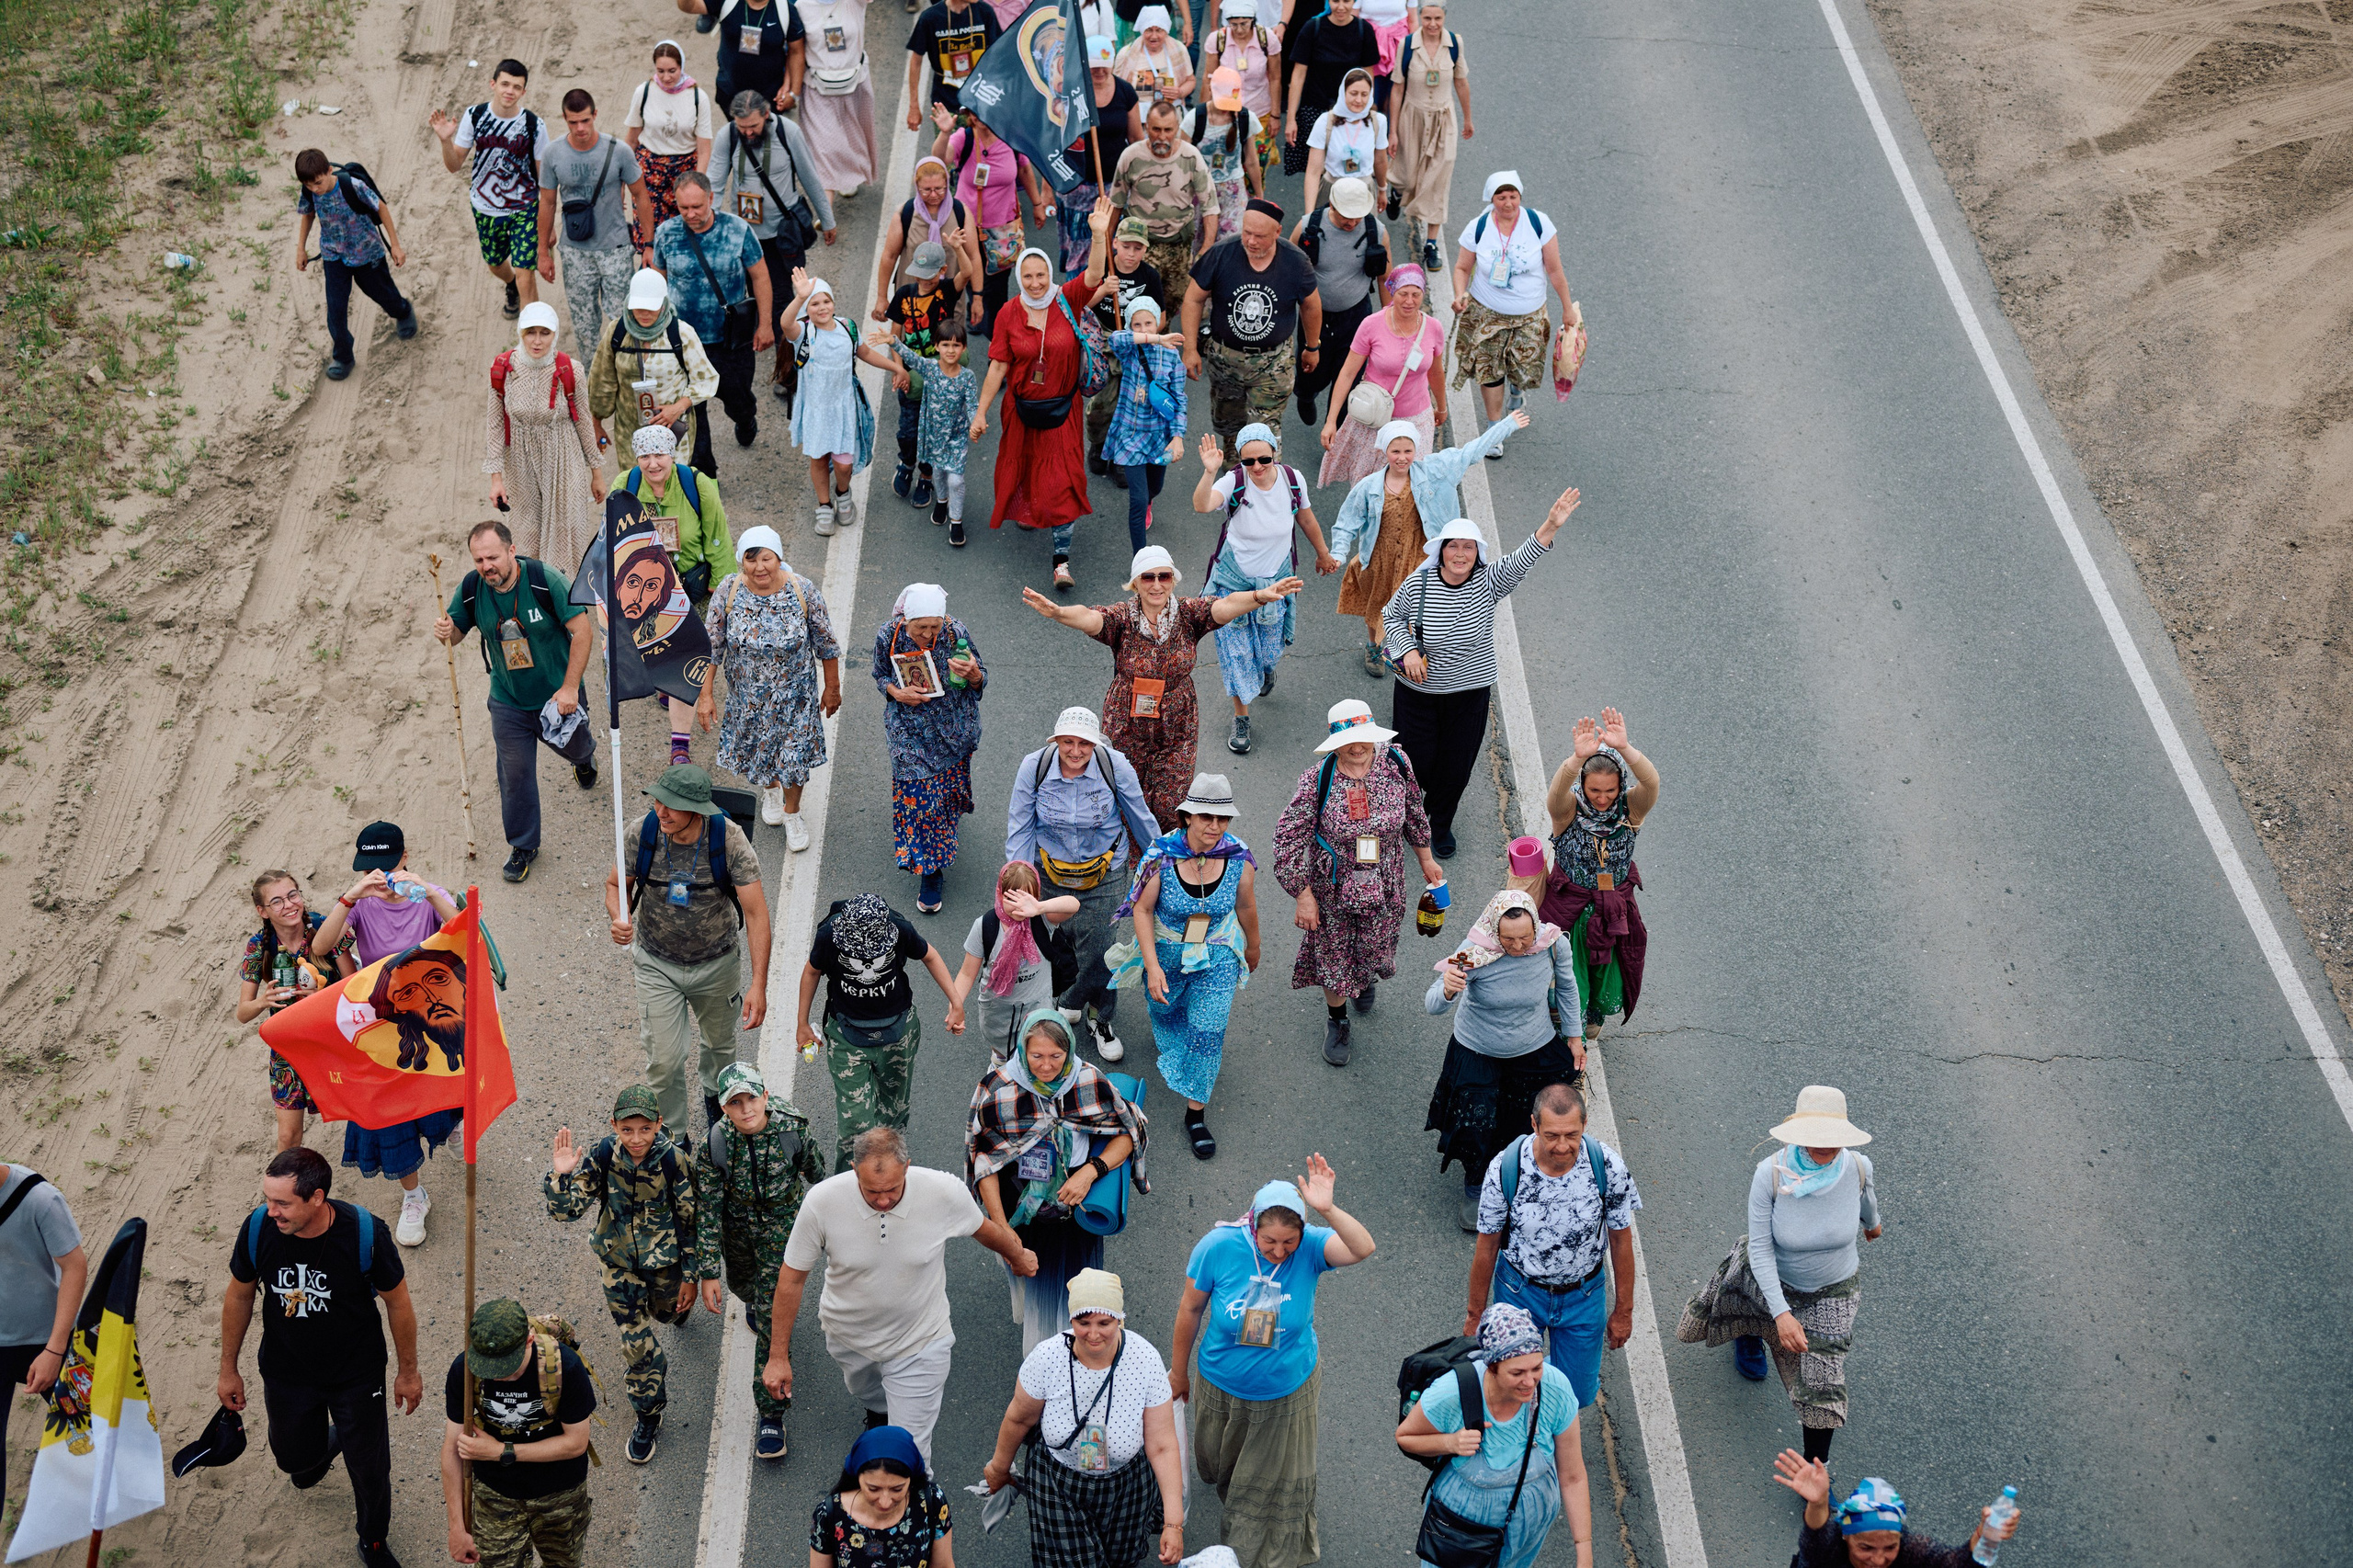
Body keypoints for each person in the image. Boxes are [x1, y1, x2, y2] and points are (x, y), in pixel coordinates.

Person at [767, 1127, 1038, 1463]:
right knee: (868, 1391)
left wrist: (1017, 1255)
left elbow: (982, 1230)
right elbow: (792, 1279)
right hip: (848, 1337)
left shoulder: (943, 1191)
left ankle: (916, 1506)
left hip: (921, 1341)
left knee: (908, 1456)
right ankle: (880, 1411)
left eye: (892, 1189)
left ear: (907, 1166)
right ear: (854, 1170)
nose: (883, 1200)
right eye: (872, 1191)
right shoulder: (822, 1202)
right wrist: (778, 1355)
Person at [220, 1148, 420, 1568]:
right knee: (295, 1463)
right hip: (286, 1372)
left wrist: (408, 1372)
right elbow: (239, 1295)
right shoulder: (259, 1229)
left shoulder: (365, 1233)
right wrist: (228, 1369)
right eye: (268, 1199)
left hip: (357, 1375)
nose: (271, 1211)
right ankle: (329, 1443)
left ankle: (374, 1541)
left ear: (317, 1198)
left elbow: (398, 1303)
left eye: (282, 1203)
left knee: (369, 1470)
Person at [1168, 1164, 1375, 1568]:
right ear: (1252, 1225)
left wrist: (1328, 1210)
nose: (1279, 1251)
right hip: (1220, 1384)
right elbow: (1190, 1310)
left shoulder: (1314, 1246)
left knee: (1258, 1496)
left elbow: (1362, 1248)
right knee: (1218, 1464)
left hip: (1285, 1392)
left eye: (1289, 1242)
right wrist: (1178, 1371)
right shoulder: (1218, 1246)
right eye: (1269, 1242)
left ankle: (1248, 1555)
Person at [1022, 544, 1304, 829]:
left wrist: (1258, 596)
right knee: (1126, 793)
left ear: (1173, 579)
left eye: (1164, 576)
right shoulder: (1121, 618)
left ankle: (1165, 858)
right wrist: (1059, 613)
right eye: (1148, 577)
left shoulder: (1188, 613)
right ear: (1135, 583)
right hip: (1126, 720)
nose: (1156, 584)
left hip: (1178, 720)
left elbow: (1225, 605)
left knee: (1172, 800)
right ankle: (1130, 859)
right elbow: (1090, 618)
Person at [1678, 1088, 1881, 1465]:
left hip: (1833, 1290)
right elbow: (1760, 1248)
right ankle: (1750, 1333)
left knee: (1823, 1379)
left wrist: (1873, 1225)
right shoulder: (1769, 1175)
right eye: (1815, 1138)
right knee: (1758, 1306)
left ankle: (1815, 1474)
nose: (1825, 1147)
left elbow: (1867, 1201)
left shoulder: (1858, 1167)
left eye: (1833, 1140)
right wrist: (1782, 1313)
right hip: (1773, 1272)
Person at [1383, 493, 1581, 856]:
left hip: (1469, 694)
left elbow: (1523, 559)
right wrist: (1408, 650)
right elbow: (1390, 617)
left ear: (1477, 553)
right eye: (1453, 547)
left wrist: (1551, 524)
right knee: (1415, 764)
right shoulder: (1419, 584)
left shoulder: (1488, 583)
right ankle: (1412, 813)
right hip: (1417, 694)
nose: (1460, 554)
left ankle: (1437, 826)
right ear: (1441, 551)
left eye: (1469, 548)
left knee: (1456, 767)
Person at [310, 822, 465, 1245]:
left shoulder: (428, 894)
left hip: (432, 1010)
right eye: (368, 870)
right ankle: (414, 1195)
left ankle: (452, 1124)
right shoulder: (361, 902)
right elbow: (322, 947)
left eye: (386, 866)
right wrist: (349, 898)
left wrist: (430, 892)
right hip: (382, 1018)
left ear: (404, 858)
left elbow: (468, 931)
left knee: (443, 1080)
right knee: (388, 1109)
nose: (378, 877)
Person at [1271, 698, 1442, 1065]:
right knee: (1334, 957)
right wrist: (1302, 895)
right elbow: (1286, 840)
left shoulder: (1396, 762)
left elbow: (1413, 809)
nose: (1359, 746)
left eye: (1364, 736)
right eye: (1350, 739)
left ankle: (1363, 978)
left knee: (1374, 946)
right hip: (1332, 888)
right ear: (1335, 743)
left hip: (1386, 881)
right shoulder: (1318, 779)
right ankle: (1338, 1020)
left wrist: (1426, 859)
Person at [605, 763, 774, 1131]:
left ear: (697, 809)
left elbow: (757, 913)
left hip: (716, 964)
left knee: (720, 1047)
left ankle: (716, 1101)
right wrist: (621, 917)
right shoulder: (642, 833)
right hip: (656, 963)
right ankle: (676, 1135)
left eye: (671, 805)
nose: (660, 811)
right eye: (657, 801)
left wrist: (758, 985)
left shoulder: (728, 841)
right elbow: (617, 885)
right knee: (663, 1060)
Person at [980, 1269, 1188, 1567]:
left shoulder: (1145, 1360)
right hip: (1058, 1480)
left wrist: (1173, 1524)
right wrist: (999, 1469)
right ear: (1071, 1319)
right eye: (1082, 1322)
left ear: (1120, 1317)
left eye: (1105, 1323)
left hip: (1126, 1485)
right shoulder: (1046, 1358)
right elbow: (1018, 1419)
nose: (1093, 1334)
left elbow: (1163, 1445)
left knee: (1121, 1560)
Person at [965, 1010, 1146, 1350]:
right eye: (1036, 1056)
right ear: (1022, 1050)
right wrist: (1001, 1228)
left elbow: (1128, 1132)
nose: (1046, 1066)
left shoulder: (1089, 1081)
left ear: (1070, 1051)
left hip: (1073, 1208)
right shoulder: (998, 1089)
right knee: (1030, 1273)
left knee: (1072, 1289)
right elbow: (984, 1161)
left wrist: (1091, 1171)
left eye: (1056, 1056)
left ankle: (1064, 1353)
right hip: (1020, 1208)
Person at [542, 1085, 698, 1466]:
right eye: (627, 1129)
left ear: (659, 1124)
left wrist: (692, 1276)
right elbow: (567, 1212)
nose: (636, 1138)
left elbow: (693, 1220)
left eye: (645, 1129)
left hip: (665, 1265)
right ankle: (648, 1413)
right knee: (637, 1342)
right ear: (614, 1126)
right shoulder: (604, 1154)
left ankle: (675, 1311)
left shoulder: (674, 1161)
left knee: (666, 1314)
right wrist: (562, 1176)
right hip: (618, 1263)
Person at [1107, 774, 1256, 1158]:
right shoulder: (1161, 856)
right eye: (1206, 817)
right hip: (1168, 952)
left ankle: (1196, 1114)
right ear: (1187, 816)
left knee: (1208, 1030)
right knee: (1167, 1011)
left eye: (1223, 819)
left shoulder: (1239, 857)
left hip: (1218, 952)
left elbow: (1245, 906)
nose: (1215, 827)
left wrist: (1253, 947)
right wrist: (1153, 968)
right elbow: (1141, 909)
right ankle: (1178, 1043)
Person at [1463, 1084, 1639, 1410]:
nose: (1562, 1146)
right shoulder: (1505, 1169)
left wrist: (1623, 1311)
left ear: (1585, 1126)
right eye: (1552, 1135)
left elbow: (1620, 1239)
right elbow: (1486, 1249)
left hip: (1583, 1298)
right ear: (1534, 1125)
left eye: (1571, 1135)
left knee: (1577, 1397)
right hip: (1520, 1292)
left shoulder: (1608, 1167)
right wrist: (1475, 1316)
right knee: (1513, 1387)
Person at [1006, 706, 1164, 1063]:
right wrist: (1016, 882)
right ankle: (1075, 1003)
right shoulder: (1035, 767)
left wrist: (1159, 867)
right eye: (1067, 742)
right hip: (1050, 872)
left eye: (1084, 744)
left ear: (1096, 744)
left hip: (1105, 871)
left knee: (1101, 949)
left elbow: (1139, 816)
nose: (1075, 751)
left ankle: (1095, 1015)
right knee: (1057, 944)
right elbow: (1020, 825)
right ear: (1056, 741)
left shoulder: (1115, 766)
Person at [1424, 892, 1582, 1230]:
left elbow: (1567, 988)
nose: (1519, 946)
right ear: (1494, 931)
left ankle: (1520, 1172)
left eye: (1525, 936)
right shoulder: (1472, 952)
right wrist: (1449, 989)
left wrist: (1574, 1036)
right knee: (1475, 1124)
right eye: (1509, 939)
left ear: (1535, 927)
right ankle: (1477, 1184)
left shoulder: (1553, 944)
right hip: (1478, 1047)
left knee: (1524, 1119)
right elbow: (1432, 1004)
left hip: (1533, 1044)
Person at [696, 1062, 828, 1461]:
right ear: (724, 1109)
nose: (746, 1108)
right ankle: (755, 1300)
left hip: (781, 1227)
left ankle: (771, 1414)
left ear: (765, 1097)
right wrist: (707, 1272)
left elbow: (818, 1178)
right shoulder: (715, 1145)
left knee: (771, 1312)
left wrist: (833, 1231)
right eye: (735, 1103)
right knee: (745, 1288)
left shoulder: (791, 1130)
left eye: (751, 1098)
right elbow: (707, 1209)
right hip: (736, 1229)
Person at [1328, 411, 1525, 677]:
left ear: (1415, 450)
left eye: (1408, 450)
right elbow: (1347, 521)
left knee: (1419, 610)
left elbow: (1472, 451)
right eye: (1395, 451)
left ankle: (1413, 650)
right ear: (1384, 451)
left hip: (1419, 558)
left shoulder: (1437, 471)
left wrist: (1507, 425)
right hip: (1380, 559)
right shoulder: (1369, 487)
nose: (1402, 457)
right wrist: (1338, 553)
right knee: (1377, 607)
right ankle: (1374, 646)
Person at [1395, 1303, 1590, 1568]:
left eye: (1536, 1368)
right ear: (1492, 1367)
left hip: (1524, 1537)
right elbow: (1406, 1436)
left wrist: (1584, 1551)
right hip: (1460, 1535)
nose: (1530, 1382)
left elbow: (1573, 1476)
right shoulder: (1453, 1391)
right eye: (1517, 1373)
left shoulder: (1555, 1388)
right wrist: (1449, 1442)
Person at [971, 232, 1108, 588]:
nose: (1035, 283)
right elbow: (998, 367)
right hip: (1020, 411)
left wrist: (1096, 234)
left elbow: (1094, 275)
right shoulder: (1008, 314)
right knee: (1028, 469)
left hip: (1063, 410)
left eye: (1041, 275)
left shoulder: (1067, 300)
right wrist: (981, 411)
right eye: (1028, 276)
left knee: (1063, 481)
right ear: (1019, 278)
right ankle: (1031, 508)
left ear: (1050, 274)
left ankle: (1060, 562)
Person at [1192, 428, 1337, 755]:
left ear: (1275, 454)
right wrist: (1209, 471)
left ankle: (1266, 666)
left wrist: (1323, 554)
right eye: (1248, 460)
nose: (1256, 467)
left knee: (1269, 651)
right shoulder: (1234, 481)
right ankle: (1241, 717)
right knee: (1237, 655)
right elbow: (1202, 505)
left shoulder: (1291, 479)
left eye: (1264, 459)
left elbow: (1307, 519)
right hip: (1233, 583)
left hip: (1276, 582)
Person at [799, 894, 968, 1167]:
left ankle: (891, 1178)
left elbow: (930, 955)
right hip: (846, 1034)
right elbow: (811, 972)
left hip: (898, 1031)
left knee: (894, 1113)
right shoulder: (829, 934)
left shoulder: (899, 928)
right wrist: (802, 1025)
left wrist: (956, 1003)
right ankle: (847, 1185)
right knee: (855, 1124)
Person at [698, 525, 841, 845]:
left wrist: (832, 688)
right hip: (749, 699)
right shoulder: (728, 590)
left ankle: (793, 812)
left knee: (793, 759)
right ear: (741, 561)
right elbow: (711, 646)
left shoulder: (802, 590)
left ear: (778, 558)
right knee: (760, 754)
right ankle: (770, 789)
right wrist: (705, 694)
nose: (759, 567)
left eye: (766, 558)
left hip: (795, 699)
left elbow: (826, 644)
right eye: (751, 560)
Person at [438, 1299, 596, 1568]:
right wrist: (456, 1527)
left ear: (529, 1341)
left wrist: (502, 1451)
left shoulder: (564, 1368)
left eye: (507, 1368)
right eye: (490, 1369)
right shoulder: (464, 1371)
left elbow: (576, 1443)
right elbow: (453, 1449)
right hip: (495, 1494)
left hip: (560, 1493)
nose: (497, 1377)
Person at [1537, 708, 1661, 1044]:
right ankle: (1568, 1043)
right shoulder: (1567, 811)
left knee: (1607, 974)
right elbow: (1555, 794)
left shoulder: (1631, 810)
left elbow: (1651, 782)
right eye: (1594, 791)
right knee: (1567, 977)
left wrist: (1626, 748)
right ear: (1582, 786)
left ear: (1620, 785)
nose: (1603, 799)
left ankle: (1593, 1015)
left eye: (1610, 790)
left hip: (1612, 909)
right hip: (1569, 909)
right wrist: (1576, 759)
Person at [711, 94, 838, 411]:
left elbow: (809, 176)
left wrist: (829, 219)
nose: (748, 133)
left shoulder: (788, 133)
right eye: (742, 127)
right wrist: (712, 230)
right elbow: (714, 182)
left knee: (788, 304)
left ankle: (789, 373)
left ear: (766, 115)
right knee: (747, 302)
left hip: (784, 236)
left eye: (753, 126)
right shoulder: (728, 135)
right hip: (745, 235)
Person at [617, 423, 733, 767]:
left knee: (687, 660)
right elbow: (615, 539)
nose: (653, 464)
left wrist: (720, 591)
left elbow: (718, 536)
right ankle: (666, 685)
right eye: (645, 456)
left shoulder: (698, 485)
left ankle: (679, 745)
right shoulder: (624, 487)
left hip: (692, 586)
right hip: (648, 590)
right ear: (636, 458)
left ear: (673, 455)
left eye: (660, 455)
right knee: (656, 650)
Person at [650, 171, 776, 469]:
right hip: (683, 342)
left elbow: (760, 276)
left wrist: (766, 324)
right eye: (684, 208)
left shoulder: (738, 230)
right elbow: (658, 280)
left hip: (730, 341)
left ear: (711, 198)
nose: (691, 214)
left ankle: (745, 420)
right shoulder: (666, 233)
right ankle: (705, 474)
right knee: (694, 412)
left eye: (697, 207)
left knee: (739, 399)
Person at [874, 584, 988, 910]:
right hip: (908, 731)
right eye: (920, 627)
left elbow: (981, 680)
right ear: (905, 621)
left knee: (945, 795)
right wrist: (897, 693)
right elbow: (880, 675)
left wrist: (975, 674)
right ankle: (931, 870)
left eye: (933, 626)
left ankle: (946, 818)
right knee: (921, 800)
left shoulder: (956, 634)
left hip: (954, 730)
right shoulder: (889, 636)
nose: (927, 633)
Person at [1182, 199, 1323, 455]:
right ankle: (1234, 480)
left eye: (1259, 236)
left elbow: (1311, 305)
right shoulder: (1221, 253)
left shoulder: (1295, 261)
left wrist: (1312, 346)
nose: (1251, 241)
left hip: (1272, 363)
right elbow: (1193, 298)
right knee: (1229, 429)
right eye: (1246, 233)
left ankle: (1265, 488)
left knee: (1264, 435)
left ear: (1278, 233)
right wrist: (1190, 348)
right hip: (1225, 361)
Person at [1450, 169, 1580, 437]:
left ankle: (1517, 391)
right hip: (1486, 313)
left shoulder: (1538, 223)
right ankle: (1494, 428)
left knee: (1522, 369)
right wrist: (1460, 294)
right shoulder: (1478, 227)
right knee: (1490, 370)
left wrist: (1567, 307)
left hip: (1529, 315)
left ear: (1520, 196)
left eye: (1513, 196)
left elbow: (1555, 270)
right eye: (1501, 197)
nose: (1508, 203)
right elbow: (1462, 268)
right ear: (1491, 199)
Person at [233, 870, 357, 1146]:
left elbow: (353, 988)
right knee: (289, 1135)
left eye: (293, 895)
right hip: (288, 1046)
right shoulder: (259, 945)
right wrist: (263, 1001)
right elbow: (242, 1014)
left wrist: (322, 994)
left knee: (363, 1113)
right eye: (276, 902)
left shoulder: (322, 928)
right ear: (263, 911)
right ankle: (282, 1191)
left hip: (332, 1042)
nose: (289, 905)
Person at [484, 301, 606, 568]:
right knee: (526, 535)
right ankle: (536, 597)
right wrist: (496, 479)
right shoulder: (503, 369)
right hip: (520, 463)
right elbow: (494, 424)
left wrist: (596, 474)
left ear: (555, 334)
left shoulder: (570, 369)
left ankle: (564, 599)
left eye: (545, 333)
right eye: (530, 332)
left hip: (564, 458)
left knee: (567, 532)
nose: (537, 341)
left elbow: (584, 420)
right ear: (520, 332)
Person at [536, 90, 654, 364]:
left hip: (615, 248)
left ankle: (625, 375)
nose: (580, 128)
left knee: (623, 320)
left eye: (585, 121)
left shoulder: (619, 151)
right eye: (573, 122)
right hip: (576, 251)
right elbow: (547, 204)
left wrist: (649, 244)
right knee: (585, 325)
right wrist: (543, 251)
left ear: (595, 115)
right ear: (564, 119)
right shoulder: (553, 154)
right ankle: (591, 381)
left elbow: (641, 195)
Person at [782, 271, 901, 537]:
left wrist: (895, 368)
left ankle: (842, 492)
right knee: (820, 458)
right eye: (814, 303)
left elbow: (865, 353)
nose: (822, 308)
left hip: (844, 408)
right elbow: (785, 323)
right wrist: (799, 297)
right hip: (816, 410)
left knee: (844, 464)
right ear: (806, 309)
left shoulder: (847, 327)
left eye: (826, 301)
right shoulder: (803, 333)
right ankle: (824, 505)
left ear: (833, 303)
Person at [431, 61, 552, 318]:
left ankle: (533, 337)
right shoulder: (475, 115)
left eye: (517, 87)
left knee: (526, 276)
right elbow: (454, 165)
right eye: (505, 84)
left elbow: (546, 181)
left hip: (524, 207)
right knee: (496, 264)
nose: (510, 91)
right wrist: (445, 141)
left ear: (523, 92)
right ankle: (510, 286)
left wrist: (548, 225)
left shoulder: (534, 125)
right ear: (493, 84)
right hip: (485, 208)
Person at [293, 148, 417, 382]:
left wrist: (395, 246)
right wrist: (301, 248)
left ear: (329, 171)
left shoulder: (353, 186)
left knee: (383, 294)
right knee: (336, 309)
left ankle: (403, 311)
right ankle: (343, 357)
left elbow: (381, 207)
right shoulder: (310, 189)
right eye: (309, 186)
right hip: (334, 256)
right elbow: (308, 214)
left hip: (366, 253)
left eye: (318, 183)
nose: (314, 189)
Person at [0, 1163, 85, 1502]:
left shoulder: (39, 1199)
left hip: (46, 1339)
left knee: (88, 1430)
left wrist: (53, 1349)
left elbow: (75, 1267)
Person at [1319, 259, 1444, 488]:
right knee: (1369, 486)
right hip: (1374, 420)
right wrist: (1331, 421)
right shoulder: (1371, 325)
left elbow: (1436, 373)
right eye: (1403, 294)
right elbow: (1347, 373)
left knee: (1410, 486)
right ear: (1392, 293)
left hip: (1416, 420)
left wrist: (1442, 408)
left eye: (1416, 294)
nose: (1409, 301)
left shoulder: (1433, 327)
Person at [932, 106, 1052, 340]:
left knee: (995, 290)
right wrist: (945, 132)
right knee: (970, 274)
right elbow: (939, 159)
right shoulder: (964, 138)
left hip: (1003, 230)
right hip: (968, 226)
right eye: (973, 112)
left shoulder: (1011, 138)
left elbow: (1025, 169)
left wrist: (1037, 204)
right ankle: (977, 307)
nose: (978, 116)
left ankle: (996, 345)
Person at [588, 267, 722, 464]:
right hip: (629, 433)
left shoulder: (682, 334)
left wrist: (677, 408)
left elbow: (707, 379)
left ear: (664, 303)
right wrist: (596, 423)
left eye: (651, 307)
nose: (643, 313)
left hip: (671, 433)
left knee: (671, 487)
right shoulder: (616, 332)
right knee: (635, 488)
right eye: (638, 306)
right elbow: (602, 381)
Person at [1772, 1462, 2021, 1568]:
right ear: (1847, 1537)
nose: (1879, 1561)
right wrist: (1818, 1504)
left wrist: (1984, 1534)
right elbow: (1814, 1539)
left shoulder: (1910, 1549)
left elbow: (1957, 1563)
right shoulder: (1829, 1550)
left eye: (1890, 1547)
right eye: (1866, 1548)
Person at [953, 863, 1082, 1063]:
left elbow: (1073, 904)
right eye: (1011, 898)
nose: (1018, 907)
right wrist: (955, 1004)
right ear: (999, 893)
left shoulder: (1042, 919)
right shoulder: (985, 926)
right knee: (1001, 1048)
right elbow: (967, 974)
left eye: (1026, 899)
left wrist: (1039, 907)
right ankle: (1000, 1061)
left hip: (1037, 1005)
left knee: (1035, 1053)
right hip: (997, 1009)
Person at [1286, 176, 1386, 427]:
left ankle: (1335, 433)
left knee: (1349, 379)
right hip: (1314, 318)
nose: (1352, 222)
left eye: (1357, 217)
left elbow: (1385, 278)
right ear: (1331, 204)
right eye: (1346, 216)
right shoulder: (1308, 226)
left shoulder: (1376, 232)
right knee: (1312, 375)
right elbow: (1286, 266)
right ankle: (1306, 395)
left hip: (1357, 318)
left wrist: (1388, 319)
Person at [1109, 100, 1217, 321]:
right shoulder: (1131, 157)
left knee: (1173, 301)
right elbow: (1116, 204)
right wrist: (1106, 247)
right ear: (1146, 126)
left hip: (1179, 245)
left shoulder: (1191, 157)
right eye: (1156, 129)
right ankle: (1145, 346)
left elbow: (1209, 205)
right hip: (1141, 244)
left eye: (1168, 130)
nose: (1162, 136)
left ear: (1177, 129)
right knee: (1142, 305)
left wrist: (1206, 247)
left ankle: (1160, 336)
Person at [1100, 297, 1191, 550]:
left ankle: (1150, 500)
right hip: (1130, 436)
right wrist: (1156, 338)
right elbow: (1116, 339)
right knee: (1137, 501)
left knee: (1155, 488)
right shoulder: (1130, 350)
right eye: (1137, 324)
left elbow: (1179, 399)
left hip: (1158, 438)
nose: (1143, 329)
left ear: (1158, 322)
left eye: (1148, 323)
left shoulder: (1172, 357)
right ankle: (1140, 560)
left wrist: (1177, 437)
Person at [1387, 0, 1471, 269]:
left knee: (1439, 178)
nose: (1432, 24)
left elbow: (1461, 81)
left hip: (1443, 120)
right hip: (1413, 117)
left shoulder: (1455, 43)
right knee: (1409, 175)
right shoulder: (1408, 45)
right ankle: (1398, 191)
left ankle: (1431, 244)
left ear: (1444, 17)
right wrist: (1393, 131)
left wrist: (1468, 118)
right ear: (1420, 17)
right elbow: (1397, 88)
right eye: (1427, 18)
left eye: (1437, 18)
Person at [882, 240, 965, 510]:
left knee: (934, 432)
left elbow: (969, 272)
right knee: (908, 429)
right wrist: (898, 368)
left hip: (940, 373)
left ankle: (926, 477)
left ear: (942, 270)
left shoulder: (946, 291)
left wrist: (958, 248)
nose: (925, 280)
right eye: (920, 274)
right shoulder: (904, 294)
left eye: (931, 274)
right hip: (911, 370)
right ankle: (906, 463)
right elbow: (895, 334)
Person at [887, 312, 982, 542]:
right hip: (932, 435)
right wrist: (892, 341)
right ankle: (941, 502)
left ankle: (956, 523)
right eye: (946, 344)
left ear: (964, 349)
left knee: (955, 480)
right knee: (938, 473)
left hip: (957, 436)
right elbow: (909, 355)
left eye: (956, 345)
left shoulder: (967, 377)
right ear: (937, 346)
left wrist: (975, 422)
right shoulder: (929, 368)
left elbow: (972, 405)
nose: (951, 350)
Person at [1085, 216, 1165, 482]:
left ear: (1146, 249)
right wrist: (1103, 290)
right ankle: (1098, 445)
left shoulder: (1150, 276)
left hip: (1135, 344)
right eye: (1126, 246)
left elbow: (1161, 317)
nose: (1131, 254)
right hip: (1103, 343)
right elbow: (1078, 306)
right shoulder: (1101, 268)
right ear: (1115, 242)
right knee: (1102, 406)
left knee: (1132, 405)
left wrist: (1144, 332)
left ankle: (1122, 456)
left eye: (1138, 248)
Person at [811, 1426, 956, 1566]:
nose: (885, 1503)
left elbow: (943, 1565)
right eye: (873, 1489)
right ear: (856, 1477)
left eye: (897, 1489)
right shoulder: (828, 1514)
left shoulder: (932, 1501)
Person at [1060, 37, 1141, 275]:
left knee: (1111, 246)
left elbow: (1136, 139)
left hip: (1114, 187)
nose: (1099, 71)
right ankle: (1079, 301)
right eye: (1094, 67)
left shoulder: (1125, 91)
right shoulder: (1075, 93)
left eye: (1104, 66)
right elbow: (1059, 141)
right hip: (1079, 186)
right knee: (1082, 249)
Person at [871, 156, 983, 321]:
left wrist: (977, 298)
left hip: (949, 303)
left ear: (947, 184)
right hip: (911, 303)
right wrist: (881, 297)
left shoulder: (961, 212)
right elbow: (889, 256)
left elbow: (974, 257)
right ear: (917, 187)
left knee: (949, 345)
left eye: (939, 188)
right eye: (926, 190)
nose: (933, 195)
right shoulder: (906, 213)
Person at [623, 44, 714, 246]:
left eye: (672, 71)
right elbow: (630, 141)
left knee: (687, 236)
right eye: (660, 71)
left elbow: (704, 149)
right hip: (649, 173)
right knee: (650, 240)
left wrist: (698, 185)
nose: (666, 77)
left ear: (681, 67)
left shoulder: (698, 97)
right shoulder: (644, 92)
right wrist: (621, 181)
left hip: (684, 172)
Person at [1279, 0, 1376, 177]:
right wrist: (1291, 118)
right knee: (1316, 171)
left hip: (1350, 111)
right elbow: (1298, 75)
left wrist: (1368, 109)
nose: (1340, 7)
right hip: (1316, 109)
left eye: (1346, 1)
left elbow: (1368, 75)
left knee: (1348, 170)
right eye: (1335, 1)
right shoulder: (1312, 28)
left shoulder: (1364, 30)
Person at [797, 0, 882, 199]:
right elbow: (796, 49)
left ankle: (847, 175)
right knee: (825, 148)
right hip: (817, 87)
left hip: (856, 84)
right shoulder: (801, 6)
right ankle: (827, 215)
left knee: (853, 137)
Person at [676, 0, 808, 117]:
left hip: (770, 97)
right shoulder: (726, 2)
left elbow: (796, 52)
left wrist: (794, 93)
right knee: (737, 136)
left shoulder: (786, 10)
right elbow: (689, 7)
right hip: (730, 91)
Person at [1199, 0, 1283, 176]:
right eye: (1233, 25)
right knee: (1226, 165)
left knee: (1256, 167)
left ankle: (1255, 201)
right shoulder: (1218, 40)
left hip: (1259, 113)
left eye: (1243, 24)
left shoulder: (1267, 38)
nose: (1238, 30)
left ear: (1253, 20)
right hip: (1226, 114)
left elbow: (1275, 78)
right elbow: (1209, 79)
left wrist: (1275, 115)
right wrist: (1203, 117)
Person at [1301, 68, 1386, 218]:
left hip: (1364, 192)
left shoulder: (1378, 121)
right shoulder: (1325, 122)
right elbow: (1313, 172)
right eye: (1353, 93)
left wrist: (1382, 190)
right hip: (1331, 190)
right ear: (1343, 92)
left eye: (1364, 94)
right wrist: (1309, 215)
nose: (1359, 100)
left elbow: (1380, 160)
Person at [1188, 71, 1266, 239]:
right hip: (1199, 193)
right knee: (1196, 244)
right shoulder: (1195, 118)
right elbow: (1182, 161)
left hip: (1233, 194)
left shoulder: (1246, 118)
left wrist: (1259, 195)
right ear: (1210, 91)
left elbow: (1252, 161)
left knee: (1231, 243)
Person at [905, 0, 1006, 128]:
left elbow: (998, 55)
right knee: (946, 147)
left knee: (981, 148)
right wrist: (913, 107)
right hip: (945, 107)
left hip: (980, 106)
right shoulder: (930, 18)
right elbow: (916, 61)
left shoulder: (985, 12)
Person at [1114, 5, 1196, 107]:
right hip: (1138, 116)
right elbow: (1116, 89)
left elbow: (1191, 81)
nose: (1154, 36)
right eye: (1149, 30)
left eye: (1159, 30)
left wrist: (1180, 92)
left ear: (1166, 31)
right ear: (1142, 30)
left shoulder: (1179, 50)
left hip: (1170, 114)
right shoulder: (1126, 55)